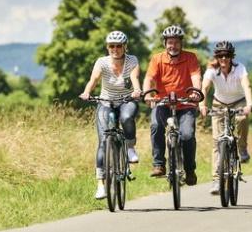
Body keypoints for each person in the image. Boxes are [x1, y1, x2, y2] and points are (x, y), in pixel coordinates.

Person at [79, 30, 142, 199]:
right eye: (112, 46)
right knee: (103, 142)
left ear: (124, 47)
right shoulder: (102, 62)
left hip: (127, 99)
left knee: (127, 117)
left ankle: (129, 147)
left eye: (119, 46)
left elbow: (135, 77)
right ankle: (101, 184)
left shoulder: (132, 60)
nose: (115, 49)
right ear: (107, 47)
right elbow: (94, 79)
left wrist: (137, 90)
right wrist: (86, 92)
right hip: (106, 101)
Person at [143, 25, 202, 186]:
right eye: (170, 42)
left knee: (187, 135)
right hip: (162, 102)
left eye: (176, 42)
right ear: (165, 43)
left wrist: (196, 91)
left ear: (181, 43)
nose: (173, 46)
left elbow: (196, 76)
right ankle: (159, 164)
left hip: (185, 104)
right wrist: (147, 94)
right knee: (155, 126)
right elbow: (149, 79)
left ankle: (190, 170)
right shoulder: (157, 59)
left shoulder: (191, 57)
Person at [199, 41, 252, 195]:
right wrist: (202, 105)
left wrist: (249, 105)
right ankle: (216, 180)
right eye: (221, 55)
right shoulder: (211, 70)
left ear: (231, 57)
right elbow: (205, 88)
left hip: (239, 102)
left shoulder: (240, 68)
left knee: (242, 120)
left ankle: (242, 149)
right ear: (217, 57)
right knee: (217, 142)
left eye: (227, 55)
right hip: (219, 104)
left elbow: (247, 86)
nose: (224, 58)